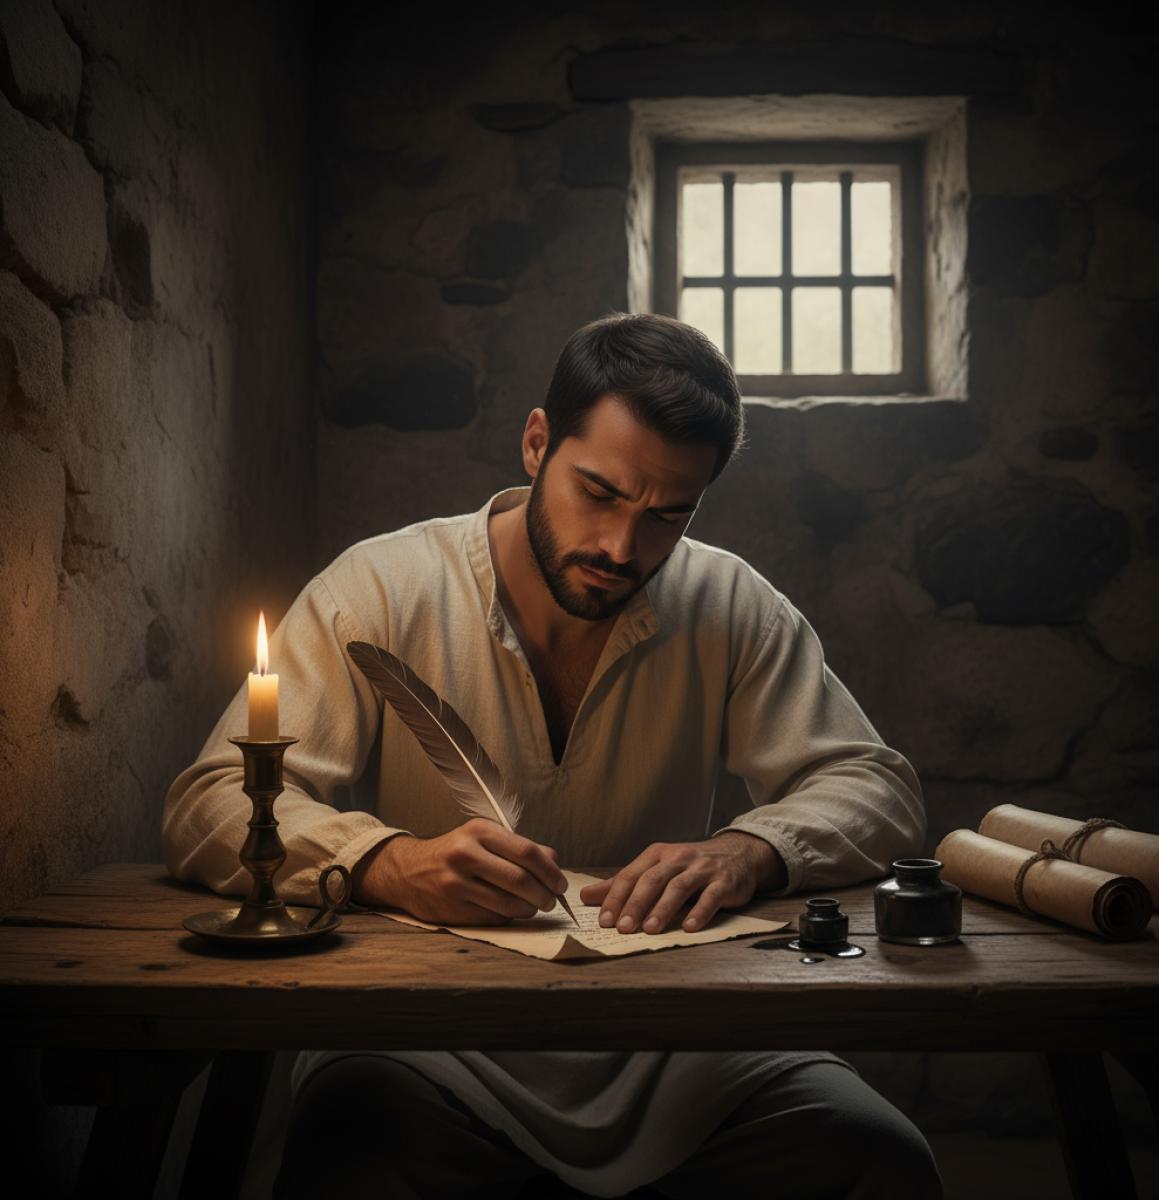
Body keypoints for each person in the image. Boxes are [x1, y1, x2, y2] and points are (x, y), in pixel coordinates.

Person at [163, 312, 943, 1199]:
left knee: (875, 1158)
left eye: (668, 515)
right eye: (600, 492)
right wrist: (385, 863)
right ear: (537, 443)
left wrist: (750, 851)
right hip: (427, 1035)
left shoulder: (730, 604)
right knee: (351, 1153)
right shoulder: (379, 589)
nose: (623, 547)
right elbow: (212, 802)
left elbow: (875, 787)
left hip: (680, 1036)